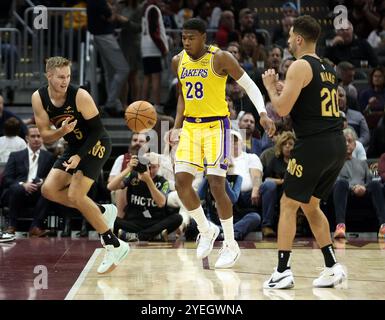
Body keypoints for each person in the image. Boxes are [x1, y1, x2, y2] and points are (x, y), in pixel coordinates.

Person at [167, 18, 275, 269]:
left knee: (217, 184)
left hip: (217, 126)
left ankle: (230, 244)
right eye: (183, 37)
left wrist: (261, 112)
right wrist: (176, 124)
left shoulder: (221, 58)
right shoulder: (177, 61)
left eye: (191, 37)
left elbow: (249, 85)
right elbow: (182, 96)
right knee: (181, 182)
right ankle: (206, 230)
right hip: (192, 127)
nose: (186, 42)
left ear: (204, 37)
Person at [261, 15, 347, 289]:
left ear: (298, 38)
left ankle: (282, 271)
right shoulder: (328, 67)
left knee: (288, 203)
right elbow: (304, 101)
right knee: (311, 205)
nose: (287, 41)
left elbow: (283, 109)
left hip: (313, 144)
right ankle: (332, 266)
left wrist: (269, 90)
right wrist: (280, 90)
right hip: (336, 143)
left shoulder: (299, 65)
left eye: (289, 36)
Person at [31, 56, 129, 274]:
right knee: (48, 190)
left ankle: (114, 243)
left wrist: (79, 157)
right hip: (73, 146)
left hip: (96, 144)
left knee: (76, 195)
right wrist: (61, 132)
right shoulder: (39, 97)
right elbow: (46, 136)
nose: (65, 81)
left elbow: (97, 131)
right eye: (60, 77)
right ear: (48, 75)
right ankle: (102, 210)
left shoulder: (80, 96)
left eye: (68, 76)